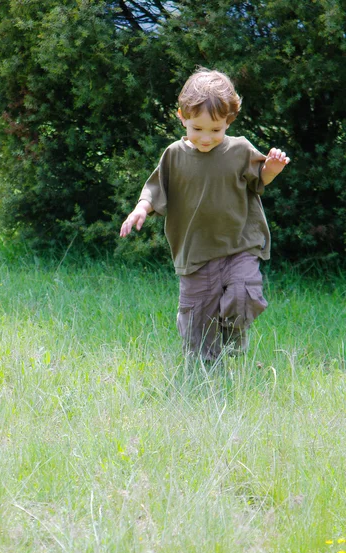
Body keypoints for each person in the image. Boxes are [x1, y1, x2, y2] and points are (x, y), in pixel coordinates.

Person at [120, 67, 290, 361]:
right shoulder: (174, 155)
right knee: (198, 324)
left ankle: (233, 341)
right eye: (197, 129)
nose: (206, 137)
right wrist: (140, 208)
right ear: (181, 117)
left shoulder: (239, 150)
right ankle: (206, 372)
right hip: (195, 253)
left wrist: (272, 169)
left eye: (216, 130)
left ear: (228, 121)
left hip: (239, 246)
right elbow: (155, 189)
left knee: (242, 294)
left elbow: (259, 178)